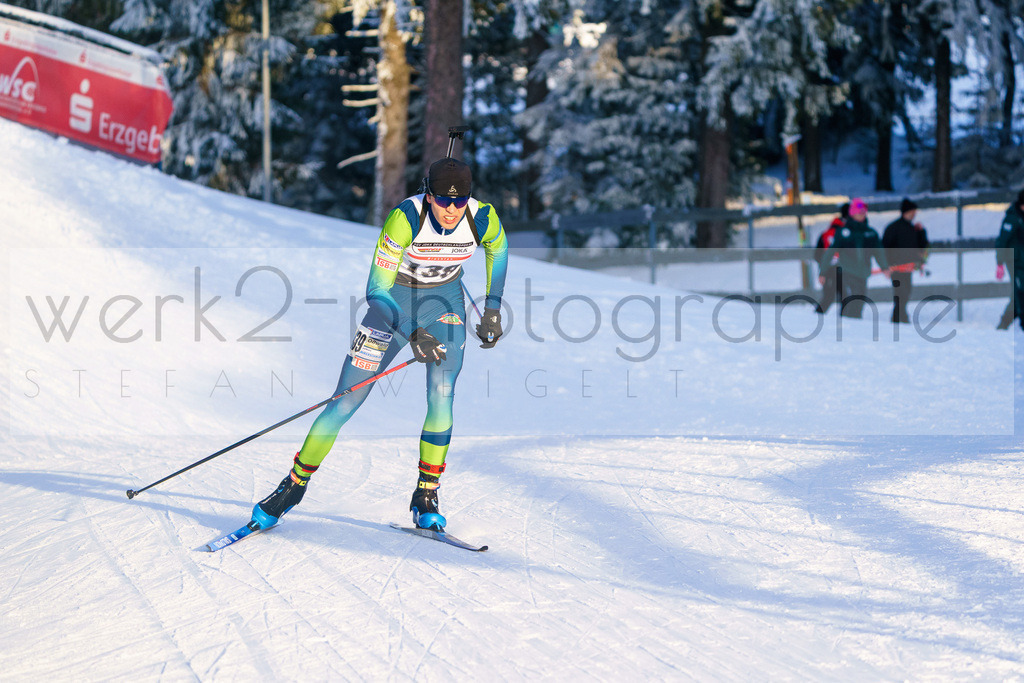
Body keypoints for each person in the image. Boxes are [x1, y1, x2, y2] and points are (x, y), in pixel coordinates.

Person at [252, 157, 509, 532]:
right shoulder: (405, 218)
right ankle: (293, 485)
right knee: (346, 399)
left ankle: (427, 494)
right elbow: (376, 290)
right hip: (393, 306)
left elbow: (498, 251)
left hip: (446, 305)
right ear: (428, 192)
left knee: (442, 393)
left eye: (460, 200)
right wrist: (414, 334)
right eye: (443, 200)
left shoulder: (483, 217)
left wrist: (492, 309)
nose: (452, 210)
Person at [818, 197, 889, 319]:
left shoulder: (870, 233)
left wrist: (884, 267)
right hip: (846, 273)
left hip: (863, 274)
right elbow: (830, 252)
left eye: (863, 212)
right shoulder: (844, 232)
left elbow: (879, 252)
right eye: (858, 212)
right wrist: (823, 271)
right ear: (852, 213)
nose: (861, 214)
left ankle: (854, 331)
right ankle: (846, 329)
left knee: (859, 303)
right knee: (849, 302)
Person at [882, 198, 930, 324]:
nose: (914, 214)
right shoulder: (893, 228)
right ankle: (899, 318)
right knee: (900, 293)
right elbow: (885, 247)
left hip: (908, 267)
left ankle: (899, 317)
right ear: (906, 211)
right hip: (896, 268)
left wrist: (922, 232)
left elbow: (922, 245)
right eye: (912, 211)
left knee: (906, 292)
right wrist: (887, 265)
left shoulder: (913, 228)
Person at [995, 189, 1024, 331]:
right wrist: (999, 263)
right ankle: (1004, 324)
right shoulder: (1012, 218)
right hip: (1014, 262)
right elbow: (1002, 242)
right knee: (1017, 294)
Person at [814, 202, 848, 314]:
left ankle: (817, 317)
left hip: (828, 269)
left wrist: (823, 268)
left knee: (829, 296)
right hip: (840, 268)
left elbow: (817, 254)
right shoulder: (845, 232)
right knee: (844, 296)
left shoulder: (826, 233)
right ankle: (846, 321)